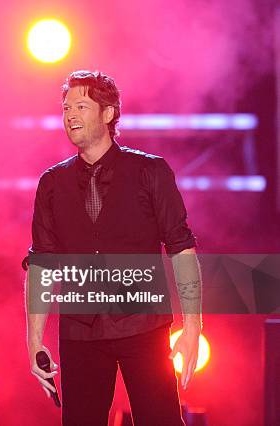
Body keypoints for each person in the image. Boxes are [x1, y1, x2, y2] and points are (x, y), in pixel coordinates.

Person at [25, 70, 202, 426]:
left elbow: (181, 248)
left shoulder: (149, 171)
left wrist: (193, 327)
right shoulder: (52, 183)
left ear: (108, 114)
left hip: (143, 326)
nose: (70, 115)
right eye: (65, 108)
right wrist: (34, 340)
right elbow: (42, 263)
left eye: (81, 106)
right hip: (80, 330)